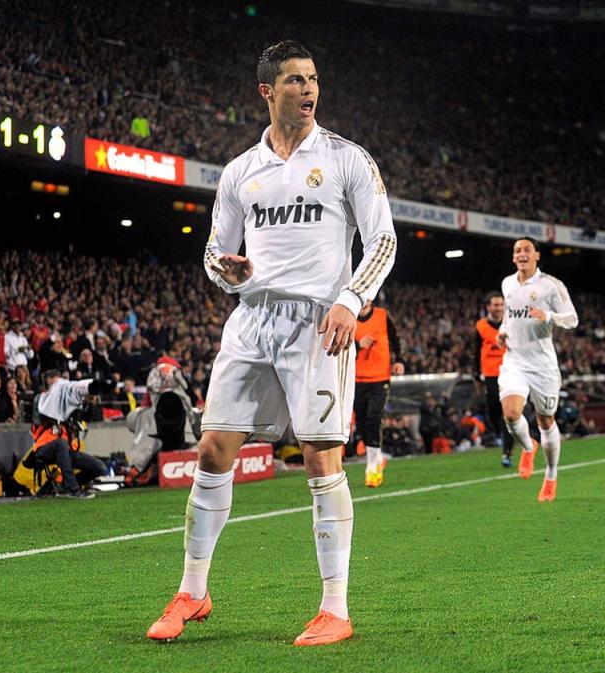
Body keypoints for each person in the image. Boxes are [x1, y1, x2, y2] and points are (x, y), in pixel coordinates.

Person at [146, 40, 396, 647]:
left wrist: (350, 299)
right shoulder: (239, 171)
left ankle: (335, 608)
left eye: (313, 79)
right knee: (211, 451)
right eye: (294, 80)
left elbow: (383, 241)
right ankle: (193, 592)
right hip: (251, 318)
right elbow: (213, 250)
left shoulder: (346, 159)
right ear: (267, 91)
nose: (308, 90)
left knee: (319, 456)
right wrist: (224, 271)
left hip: (318, 322)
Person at [496, 237, 578, 502]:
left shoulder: (550, 286)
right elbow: (509, 316)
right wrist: (502, 331)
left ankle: (551, 476)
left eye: (526, 250)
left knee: (546, 421)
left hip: (542, 366)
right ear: (513, 257)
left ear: (537, 256)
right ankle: (529, 447)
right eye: (517, 250)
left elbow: (572, 319)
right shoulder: (507, 284)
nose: (521, 254)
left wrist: (549, 316)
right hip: (514, 361)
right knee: (511, 414)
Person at [28, 369, 108, 498]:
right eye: (55, 381)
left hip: (66, 449)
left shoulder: (67, 400)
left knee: (100, 468)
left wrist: (89, 403)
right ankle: (74, 489)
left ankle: (65, 485)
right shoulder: (41, 399)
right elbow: (39, 419)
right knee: (60, 444)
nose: (59, 385)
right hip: (44, 448)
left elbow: (84, 418)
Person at [353, 299, 403, 487]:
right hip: (356, 378)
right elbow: (337, 344)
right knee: (361, 420)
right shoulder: (348, 316)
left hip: (380, 378)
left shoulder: (382, 315)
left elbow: (396, 338)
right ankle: (376, 457)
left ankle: (372, 464)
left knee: (374, 416)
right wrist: (358, 346)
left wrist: (400, 360)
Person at [475, 291, 512, 466]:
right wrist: (476, 374)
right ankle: (499, 432)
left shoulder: (511, 324)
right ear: (488, 307)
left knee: (508, 412)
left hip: (510, 372)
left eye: (501, 304)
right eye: (495, 304)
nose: (498, 308)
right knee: (493, 408)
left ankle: (507, 452)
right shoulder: (481, 326)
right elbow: (476, 351)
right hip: (490, 374)